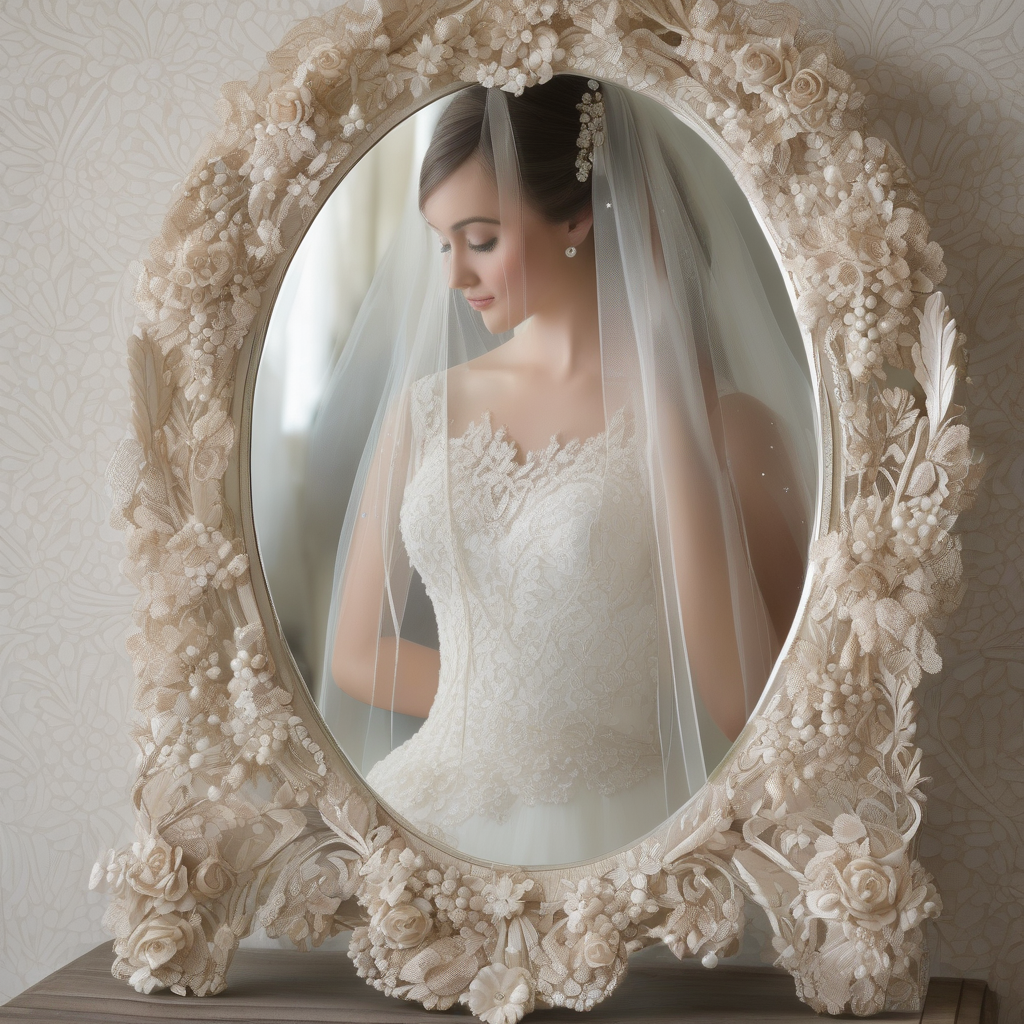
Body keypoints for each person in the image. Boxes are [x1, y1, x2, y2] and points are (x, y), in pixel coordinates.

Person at [310, 76, 815, 864]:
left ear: (579, 215)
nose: (453, 277)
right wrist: (505, 714)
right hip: (428, 818)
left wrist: (672, 402)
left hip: (614, 832)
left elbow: (758, 704)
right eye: (442, 244)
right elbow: (355, 654)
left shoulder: (727, 428)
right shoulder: (428, 409)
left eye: (480, 240)